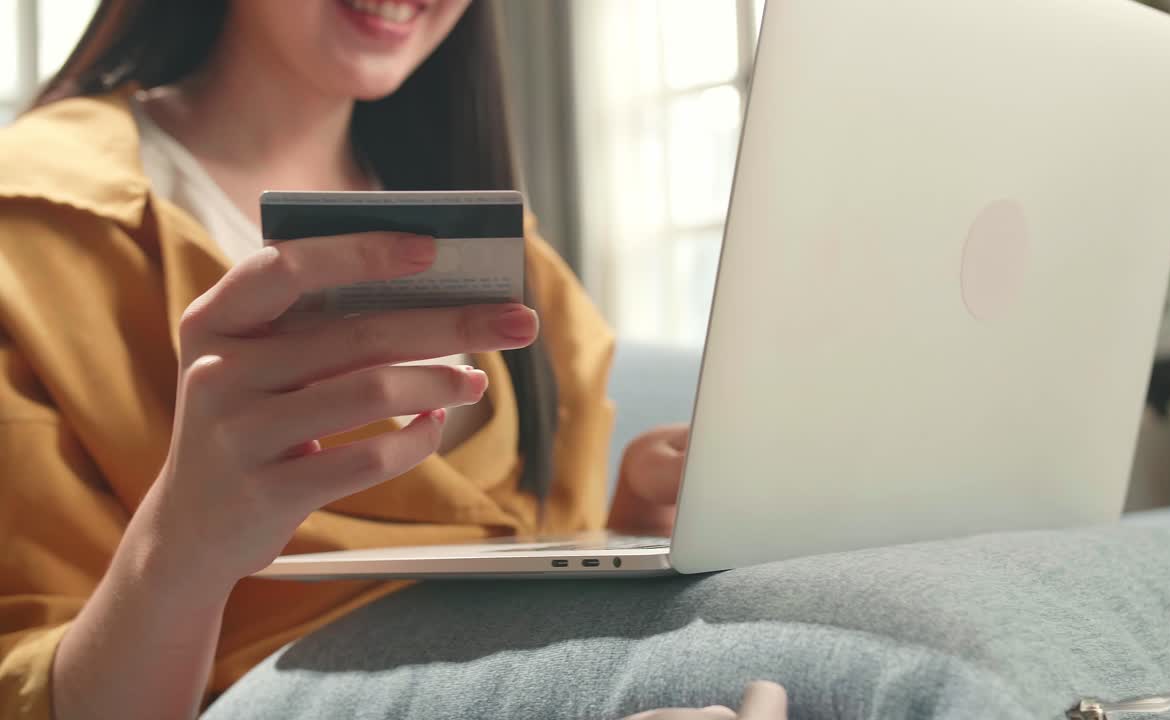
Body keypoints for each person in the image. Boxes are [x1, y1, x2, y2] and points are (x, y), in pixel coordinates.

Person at [0, 1, 785, 718]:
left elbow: (544, 593)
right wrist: (182, 549)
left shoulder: (526, 267)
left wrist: (630, 532)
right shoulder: (31, 231)